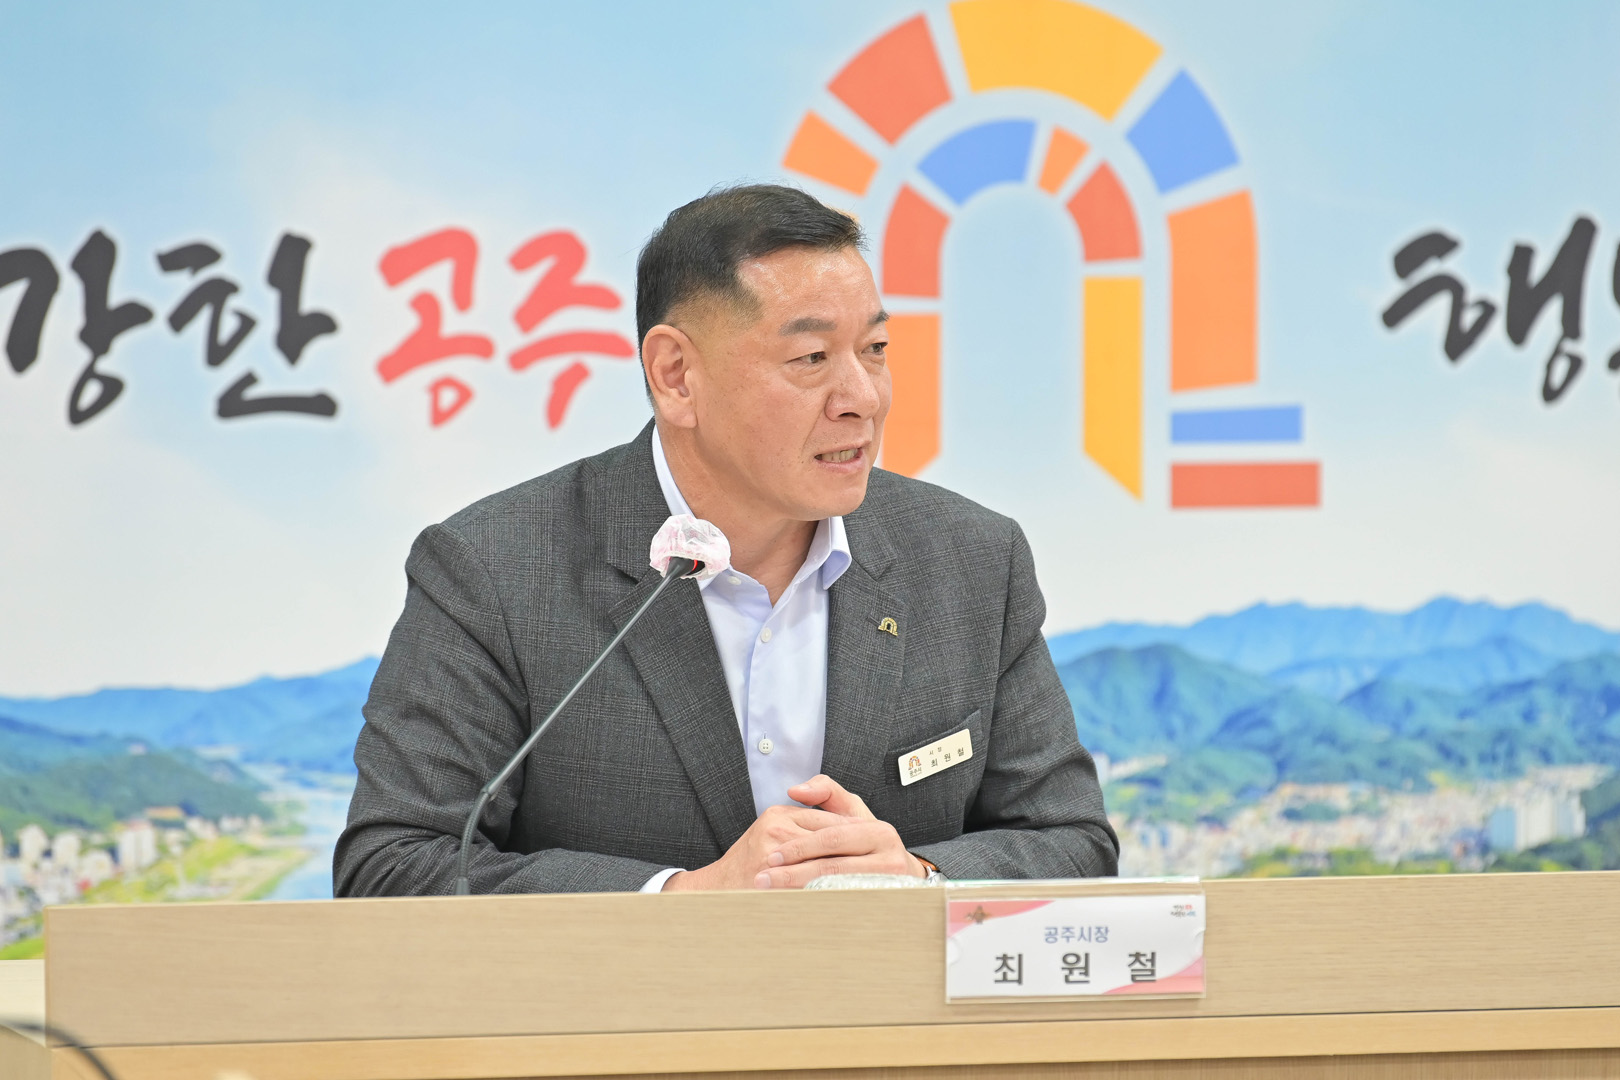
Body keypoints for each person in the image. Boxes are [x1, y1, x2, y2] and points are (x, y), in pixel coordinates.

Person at [334, 184, 1117, 896]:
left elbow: (1071, 842)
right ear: (676, 375)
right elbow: (394, 866)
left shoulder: (972, 560)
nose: (863, 398)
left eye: (875, 350)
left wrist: (918, 877)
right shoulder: (495, 570)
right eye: (812, 358)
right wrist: (683, 900)